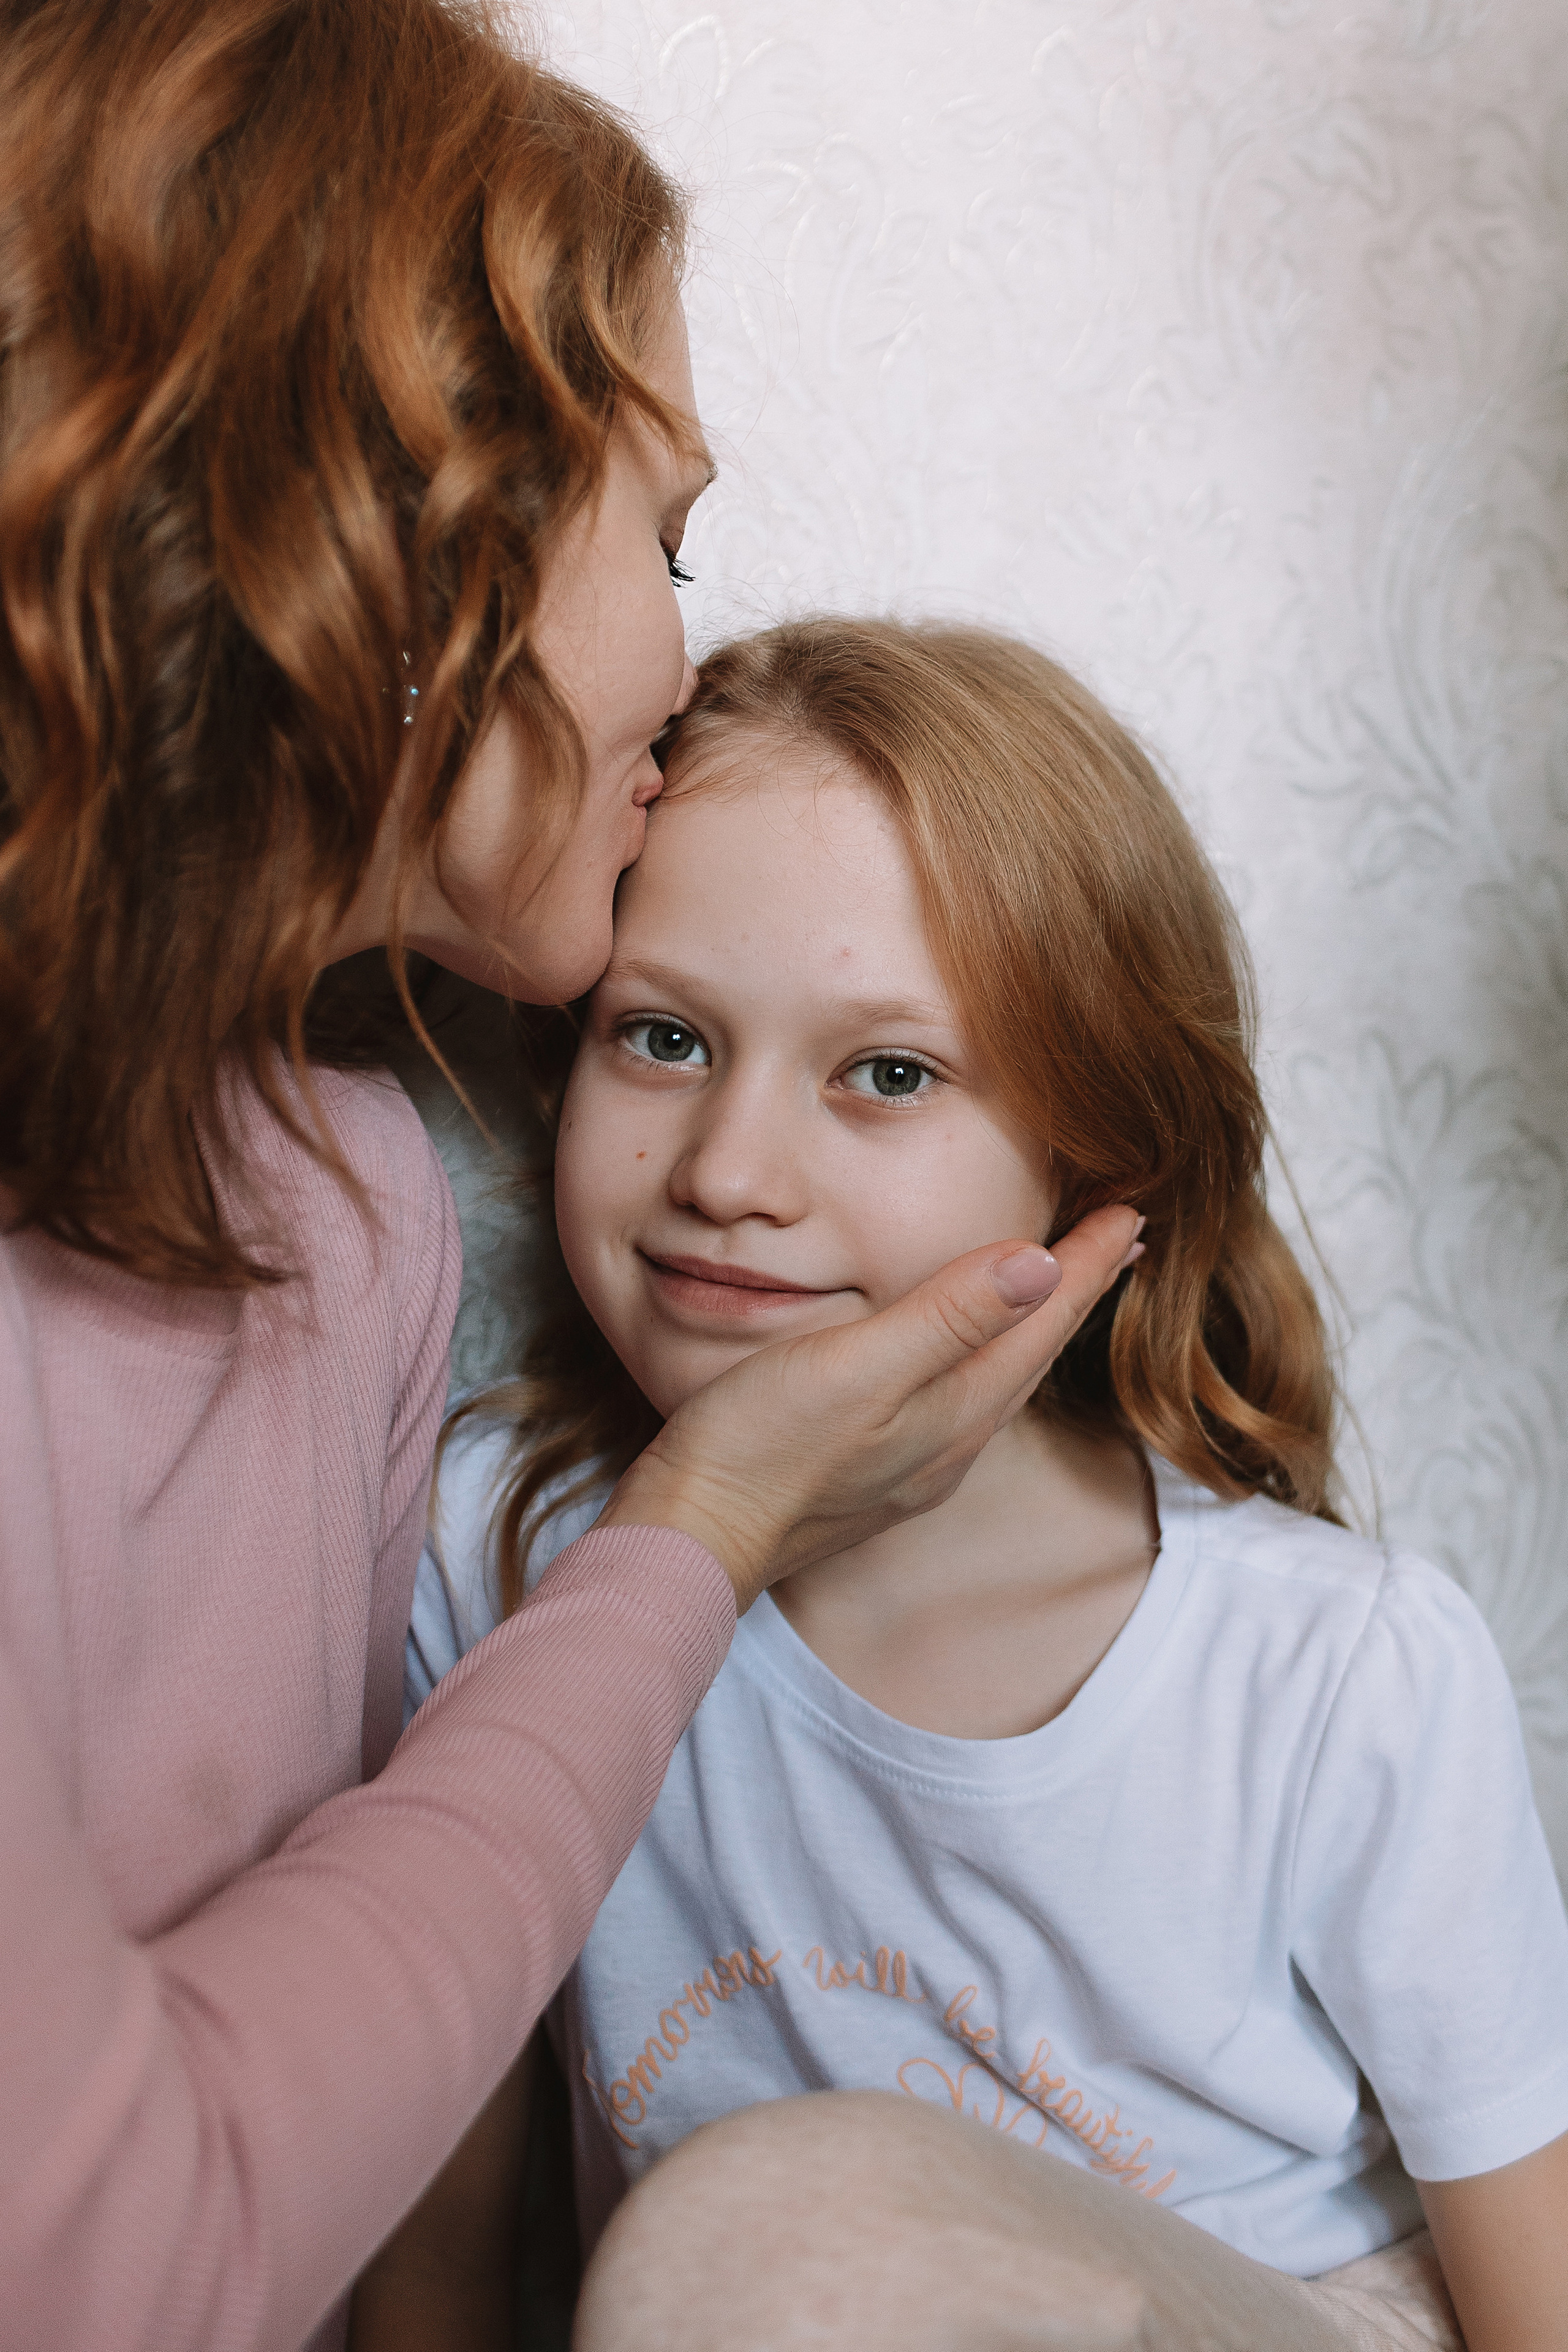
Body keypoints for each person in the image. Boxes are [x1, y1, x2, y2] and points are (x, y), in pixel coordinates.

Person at [0, 12, 1136, 2350]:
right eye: (668, 535)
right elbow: (125, 2244)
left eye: (890, 1072)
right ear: (404, 556)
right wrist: (695, 1537)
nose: (686, 654)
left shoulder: (350, 1208)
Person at [376, 620, 1568, 2351]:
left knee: (792, 2231)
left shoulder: (1333, 1676)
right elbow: (435, 2251)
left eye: (887, 1075)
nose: (728, 1172)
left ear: (1099, 1161)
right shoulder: (492, 1555)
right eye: (661, 1040)